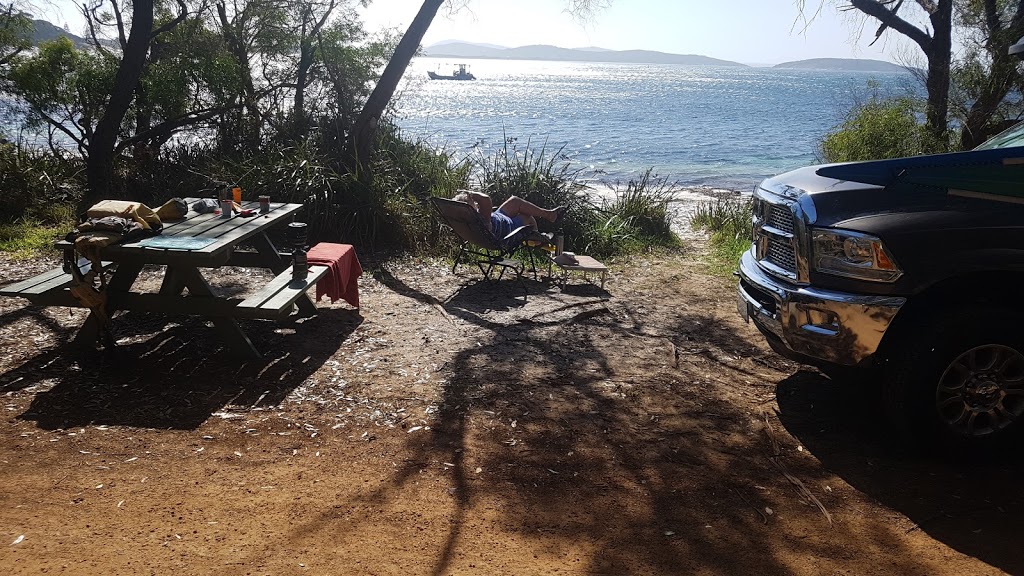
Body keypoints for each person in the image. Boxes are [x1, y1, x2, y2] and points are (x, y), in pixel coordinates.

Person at [452, 190, 566, 240]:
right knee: (528, 218)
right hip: (507, 228)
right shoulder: (480, 219)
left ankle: (549, 215)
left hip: (497, 218)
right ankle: (536, 238)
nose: (476, 203)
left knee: (515, 201)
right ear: (469, 209)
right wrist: (471, 193)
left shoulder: (464, 220)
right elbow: (486, 200)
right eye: (474, 203)